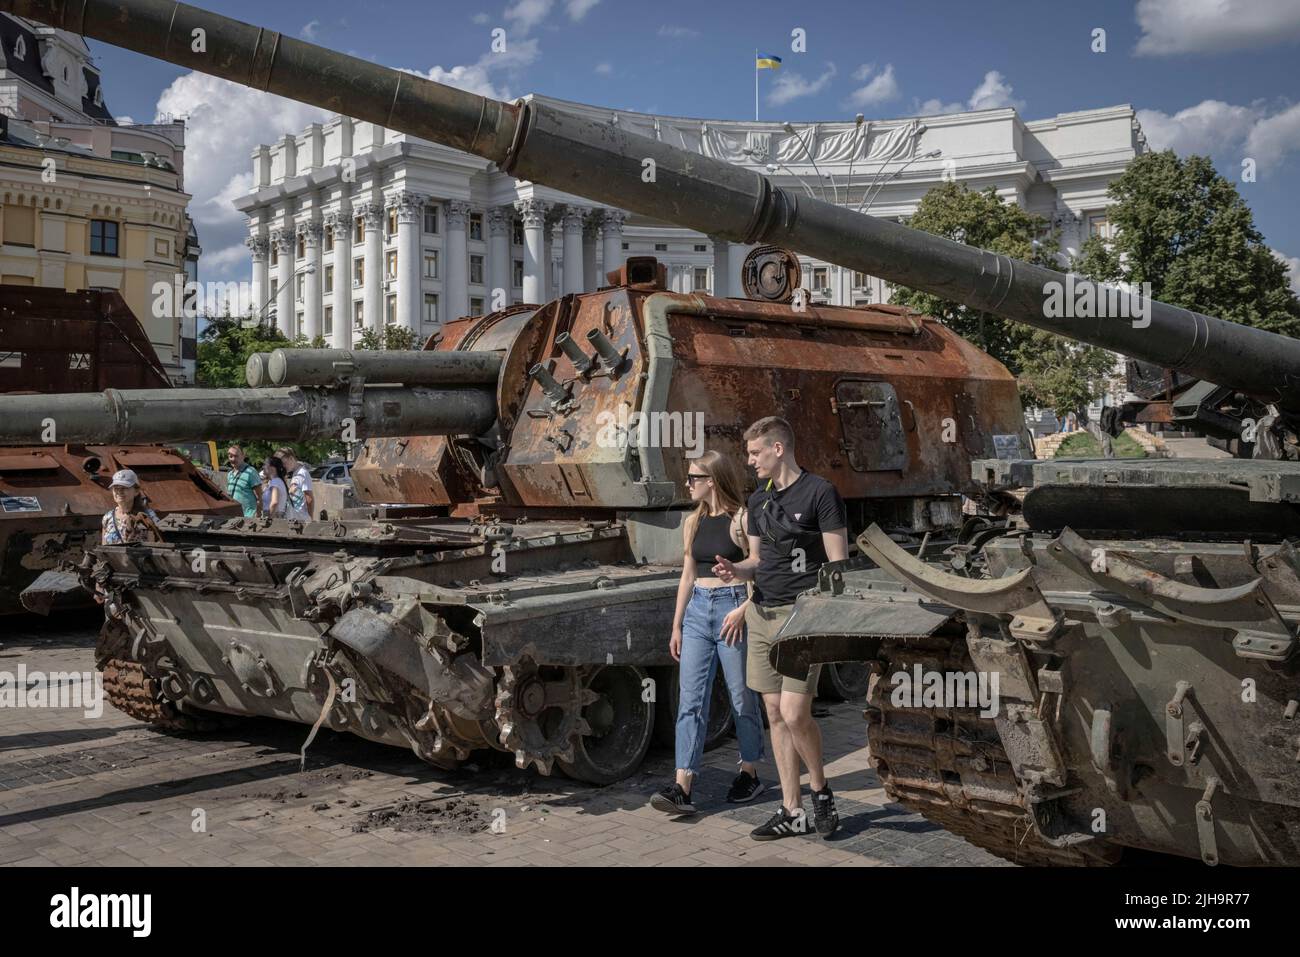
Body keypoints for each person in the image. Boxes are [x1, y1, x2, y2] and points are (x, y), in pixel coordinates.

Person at [713, 416, 849, 841]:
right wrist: (735, 569)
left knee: (794, 712)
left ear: (778, 449)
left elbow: (838, 563)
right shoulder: (757, 501)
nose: (749, 461)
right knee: (774, 713)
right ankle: (792, 811)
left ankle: (821, 792)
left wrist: (823, 616)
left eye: (755, 453)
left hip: (801, 616)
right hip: (762, 613)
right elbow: (757, 561)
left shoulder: (820, 492)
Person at [650, 450, 766, 817]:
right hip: (699, 610)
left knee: (741, 697)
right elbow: (687, 574)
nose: (688, 484)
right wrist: (677, 624)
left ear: (712, 480)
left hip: (733, 609)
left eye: (693, 478)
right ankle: (682, 784)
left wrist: (744, 609)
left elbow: (760, 566)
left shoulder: (742, 519)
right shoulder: (692, 522)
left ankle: (750, 771)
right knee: (691, 700)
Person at [101, 469, 161, 545]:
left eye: (124, 488)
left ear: (136, 491)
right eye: (116, 488)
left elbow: (157, 546)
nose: (119, 491)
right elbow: (104, 549)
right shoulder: (107, 518)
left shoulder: (147, 515)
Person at [225, 445, 263, 518]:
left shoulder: (251, 472)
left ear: (243, 456)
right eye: (231, 456)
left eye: (236, 456)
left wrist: (257, 514)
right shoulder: (230, 474)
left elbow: (259, 497)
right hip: (233, 517)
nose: (233, 459)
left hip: (249, 517)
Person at [277, 446, 314, 520]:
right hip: (296, 519)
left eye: (284, 463)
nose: (283, 467)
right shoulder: (295, 473)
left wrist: (310, 518)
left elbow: (309, 498)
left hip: (302, 519)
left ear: (291, 458)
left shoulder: (303, 473)